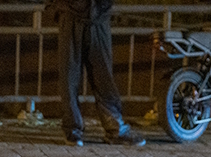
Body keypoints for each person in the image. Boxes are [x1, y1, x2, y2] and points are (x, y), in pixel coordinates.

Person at [49, 0, 146, 147]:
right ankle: (73, 128)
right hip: (71, 15)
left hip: (97, 16)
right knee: (70, 76)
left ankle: (114, 127)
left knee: (103, 77)